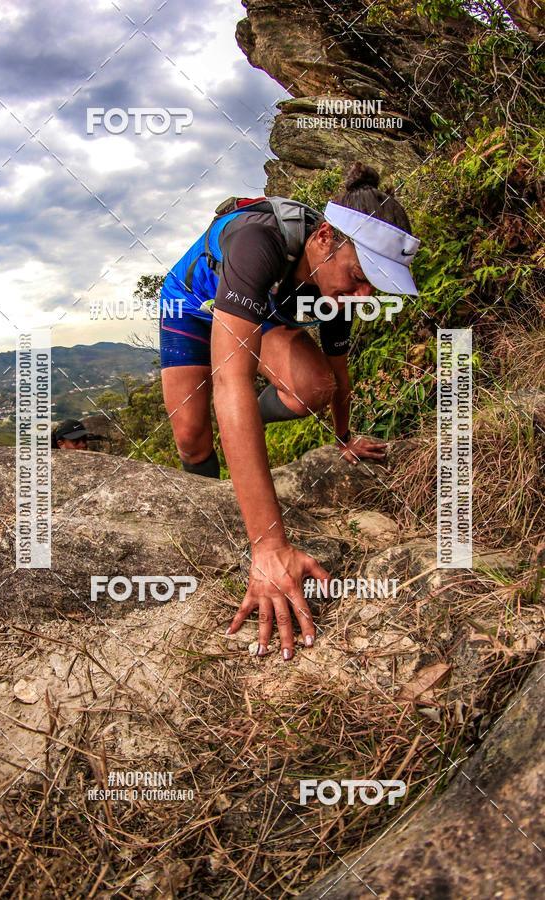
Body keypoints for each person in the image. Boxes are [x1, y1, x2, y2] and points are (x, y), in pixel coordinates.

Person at [158, 162, 420, 660]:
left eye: (374, 286)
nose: (365, 296)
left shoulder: (338, 288)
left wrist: (343, 437)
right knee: (192, 438)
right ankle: (214, 504)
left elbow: (338, 376)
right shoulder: (260, 241)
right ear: (325, 237)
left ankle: (235, 428)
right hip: (191, 303)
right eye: (360, 277)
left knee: (312, 386)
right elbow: (231, 378)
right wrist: (270, 546)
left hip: (266, 306)